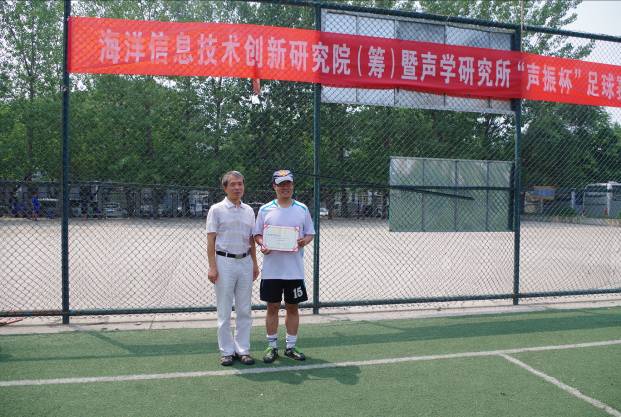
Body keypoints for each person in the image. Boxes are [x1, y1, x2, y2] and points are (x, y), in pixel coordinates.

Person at [254, 169, 315, 363]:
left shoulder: (302, 208)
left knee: (292, 307)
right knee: (272, 307)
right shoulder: (265, 209)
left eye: (288, 183)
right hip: (271, 271)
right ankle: (272, 347)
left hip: (294, 271)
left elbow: (310, 233)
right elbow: (257, 234)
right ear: (274, 186)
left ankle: (290, 346)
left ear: (293, 185)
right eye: (281, 184)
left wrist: (304, 241)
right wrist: (262, 244)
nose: (285, 187)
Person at [206, 171, 260, 366]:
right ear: (225, 188)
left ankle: (242, 349)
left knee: (244, 309)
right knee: (225, 309)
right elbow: (211, 240)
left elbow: (251, 240)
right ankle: (227, 351)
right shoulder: (216, 210)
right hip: (224, 262)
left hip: (245, 262)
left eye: (240, 184)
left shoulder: (248, 210)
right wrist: (212, 267)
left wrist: (254, 264)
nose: (237, 188)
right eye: (233, 184)